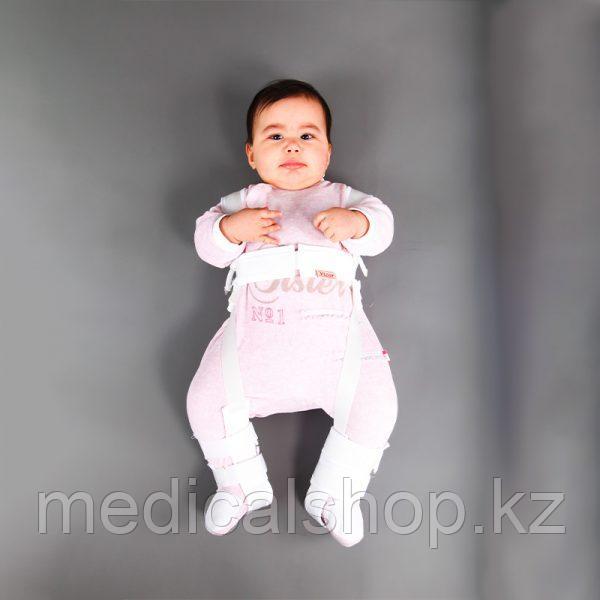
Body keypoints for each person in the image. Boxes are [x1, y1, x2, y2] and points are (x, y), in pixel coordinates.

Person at [187, 79, 398, 546]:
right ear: (251, 154)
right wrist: (230, 229)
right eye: (275, 135)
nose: (292, 146)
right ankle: (240, 485)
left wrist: (357, 223)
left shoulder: (345, 200)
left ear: (327, 152)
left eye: (307, 135)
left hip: (339, 357)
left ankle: (338, 492)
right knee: (204, 401)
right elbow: (207, 244)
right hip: (251, 355)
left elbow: (382, 229)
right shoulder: (242, 204)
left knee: (378, 407)